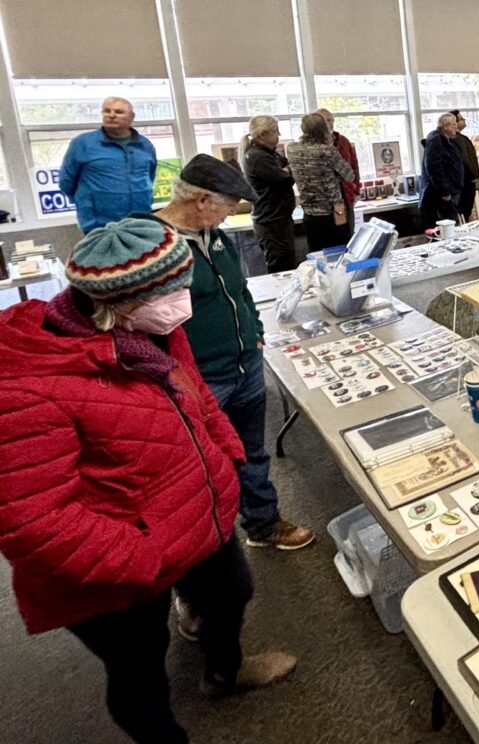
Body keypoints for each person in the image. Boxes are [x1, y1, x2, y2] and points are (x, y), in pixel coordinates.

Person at [0, 218, 297, 744]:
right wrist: (144, 558)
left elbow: (194, 395)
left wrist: (226, 455)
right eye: (173, 291)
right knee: (139, 671)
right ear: (117, 302)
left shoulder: (155, 330)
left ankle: (224, 673)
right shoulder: (27, 386)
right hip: (116, 560)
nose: (185, 301)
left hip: (193, 515)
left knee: (233, 592)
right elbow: (33, 521)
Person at [142, 154, 316, 554]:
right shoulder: (153, 245)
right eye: (227, 206)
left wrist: (255, 332)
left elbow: (239, 290)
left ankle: (263, 523)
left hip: (245, 365)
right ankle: (203, 554)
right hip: (199, 379)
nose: (230, 214)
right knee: (196, 468)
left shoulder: (215, 236)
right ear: (202, 200)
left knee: (251, 453)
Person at [58, 97, 158, 233]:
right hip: (99, 226)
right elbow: (66, 182)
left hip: (140, 221)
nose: (111, 115)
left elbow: (150, 176)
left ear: (132, 117)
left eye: (118, 112)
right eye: (106, 111)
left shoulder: (145, 145)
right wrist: (86, 204)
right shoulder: (82, 143)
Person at [288, 113, 356, 251]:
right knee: (339, 253)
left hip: (309, 212)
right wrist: (335, 177)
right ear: (324, 129)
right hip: (333, 212)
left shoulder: (292, 149)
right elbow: (349, 175)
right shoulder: (327, 151)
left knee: (316, 253)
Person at [241, 115, 297, 273]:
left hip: (281, 218)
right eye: (275, 131)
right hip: (270, 221)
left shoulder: (271, 153)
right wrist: (286, 171)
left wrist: (286, 170)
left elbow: (290, 166)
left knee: (288, 261)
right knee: (280, 266)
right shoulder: (257, 156)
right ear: (262, 135)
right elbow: (284, 179)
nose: (279, 135)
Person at [316, 108, 361, 231]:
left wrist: (356, 191)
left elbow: (354, 167)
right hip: (324, 203)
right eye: (326, 120)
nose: (329, 124)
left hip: (346, 198)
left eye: (331, 120)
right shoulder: (312, 146)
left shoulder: (343, 141)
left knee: (348, 234)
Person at [420, 112, 465, 229]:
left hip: (453, 191)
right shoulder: (435, 141)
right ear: (445, 126)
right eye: (454, 124)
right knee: (446, 230)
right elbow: (434, 168)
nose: (456, 127)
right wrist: (445, 191)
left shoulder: (448, 141)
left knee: (453, 227)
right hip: (441, 197)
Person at [451, 110, 479, 220]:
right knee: (462, 212)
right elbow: (464, 160)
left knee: (465, 212)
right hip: (464, 183)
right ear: (454, 123)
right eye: (461, 119)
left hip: (467, 183)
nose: (464, 120)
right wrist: (473, 175)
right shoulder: (456, 140)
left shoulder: (461, 138)